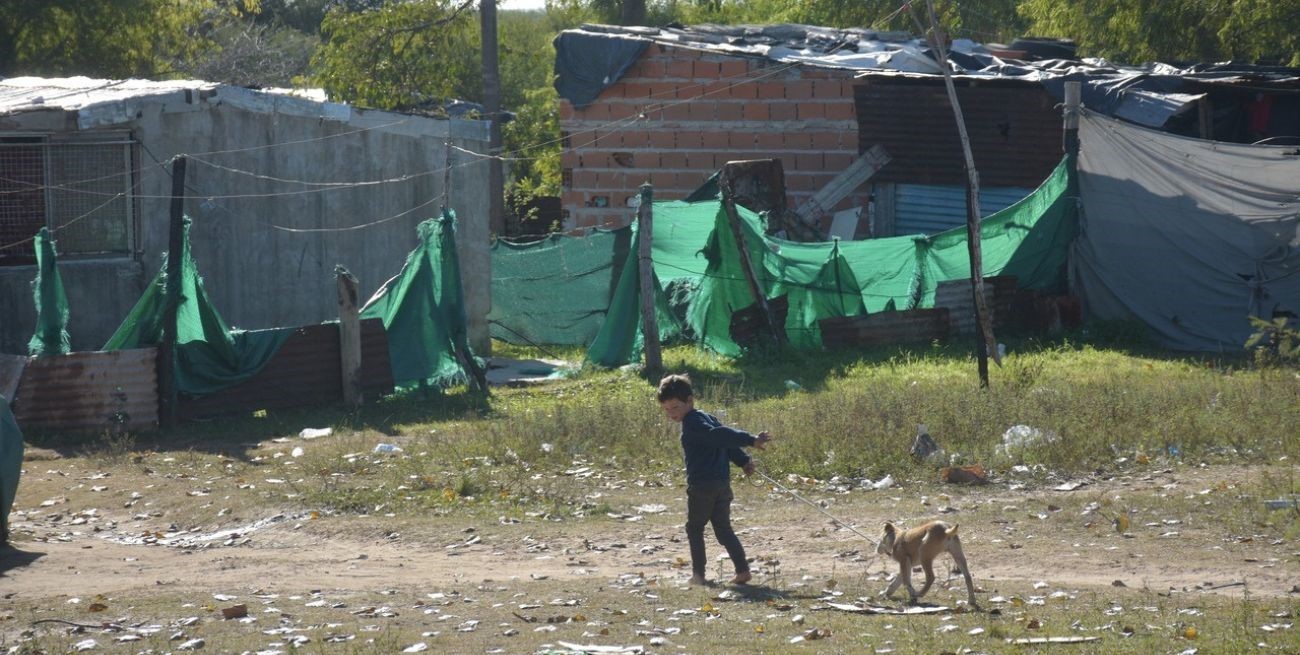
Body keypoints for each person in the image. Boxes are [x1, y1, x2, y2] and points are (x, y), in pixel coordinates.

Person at [657, 373, 773, 586]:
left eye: (675, 407)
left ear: (690, 400)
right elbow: (723, 442)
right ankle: (742, 570)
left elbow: (720, 436)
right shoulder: (707, 418)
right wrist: (744, 461)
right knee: (723, 529)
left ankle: (698, 576)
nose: (671, 413)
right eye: (666, 409)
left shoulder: (694, 424)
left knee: (694, 528)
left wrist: (750, 441)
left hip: (702, 486)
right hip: (721, 485)